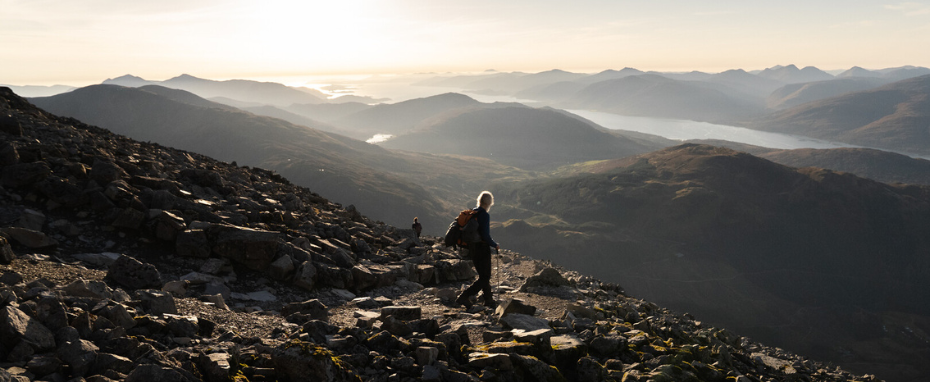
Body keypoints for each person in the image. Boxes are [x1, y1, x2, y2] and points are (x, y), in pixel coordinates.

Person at [456, 191, 500, 309]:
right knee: (485, 277)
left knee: (483, 275)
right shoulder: (484, 215)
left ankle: (489, 300)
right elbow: (485, 235)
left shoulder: (473, 212)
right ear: (489, 202)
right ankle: (464, 296)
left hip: (472, 247)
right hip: (482, 247)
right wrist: (494, 244)